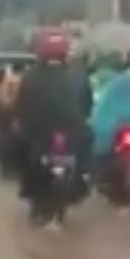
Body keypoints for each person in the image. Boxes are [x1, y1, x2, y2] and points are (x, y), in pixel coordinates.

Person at [17, 27, 93, 201]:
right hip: (71, 131)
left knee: (21, 150)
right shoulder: (79, 74)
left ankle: (27, 186)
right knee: (86, 146)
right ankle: (84, 178)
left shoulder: (30, 76)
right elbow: (87, 105)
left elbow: (22, 107)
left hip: (42, 133)